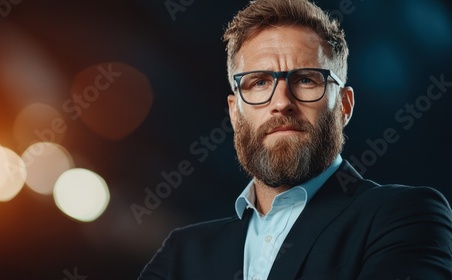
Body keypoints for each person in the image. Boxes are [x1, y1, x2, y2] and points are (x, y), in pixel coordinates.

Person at [139, 0, 452, 279]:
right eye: (259, 82)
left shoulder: (404, 217)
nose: (281, 102)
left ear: (344, 106)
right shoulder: (182, 253)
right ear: (235, 113)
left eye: (305, 79)